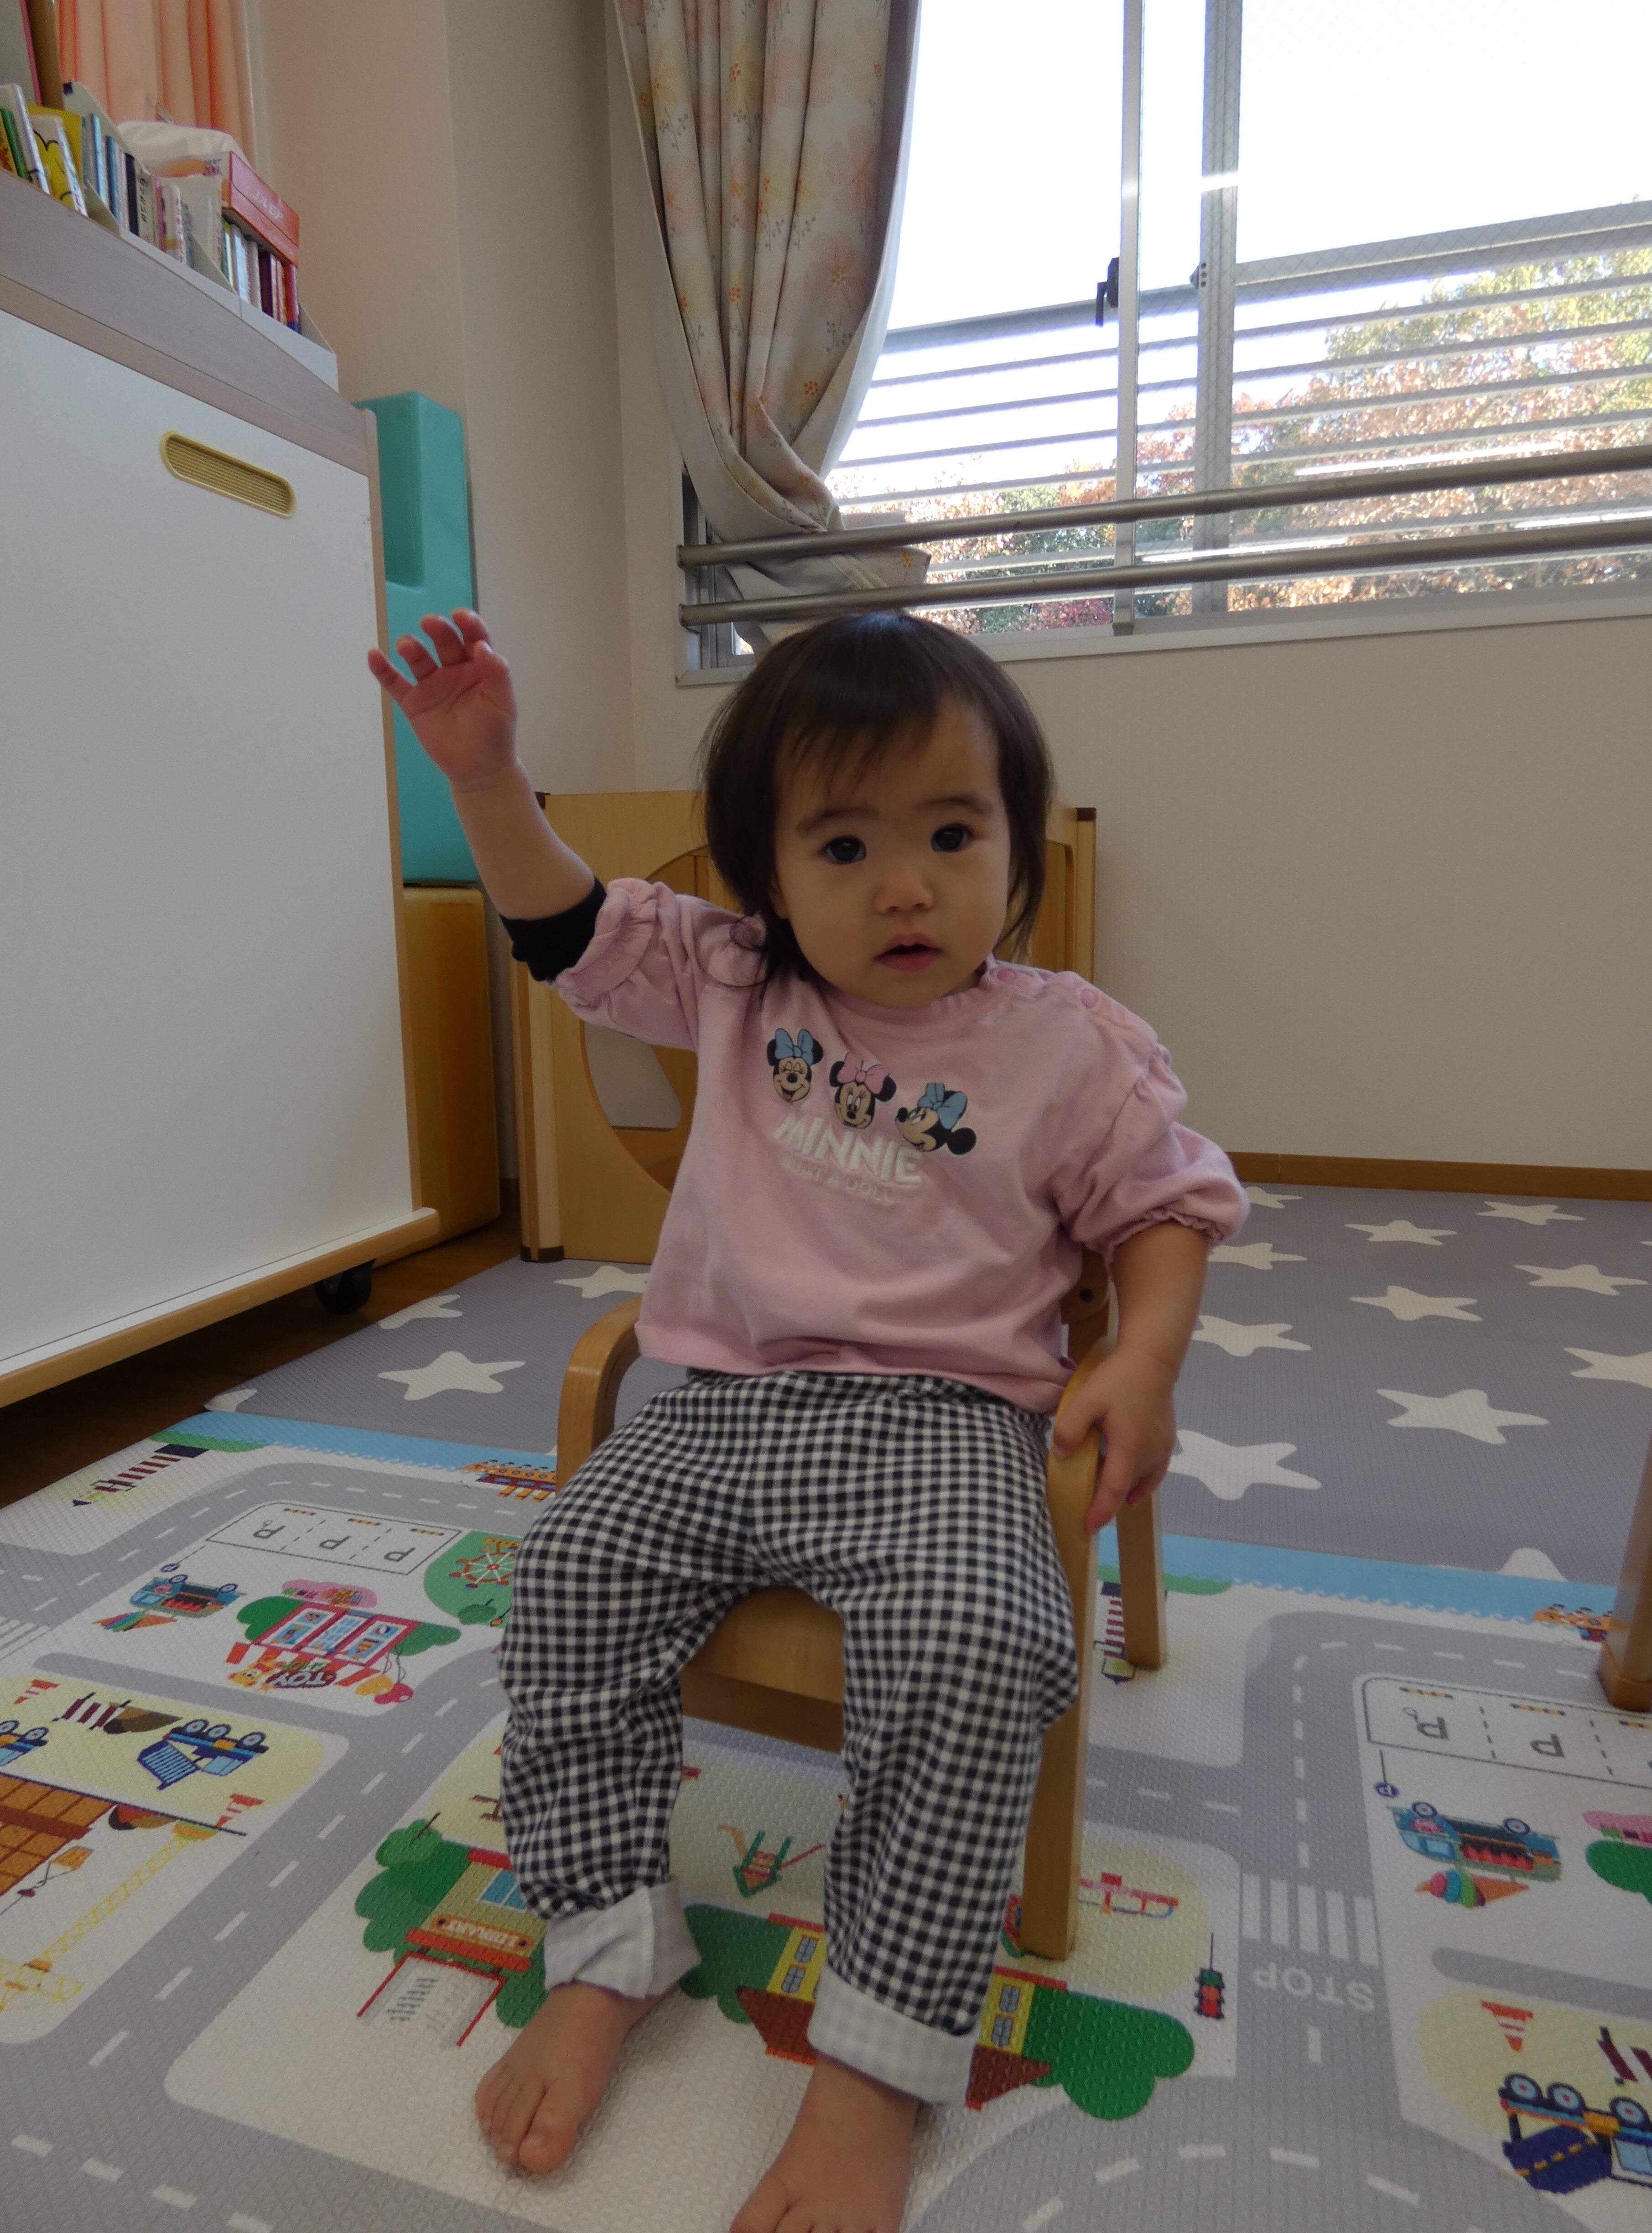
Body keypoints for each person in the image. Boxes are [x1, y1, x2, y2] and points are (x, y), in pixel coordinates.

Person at [367, 606, 1247, 2233]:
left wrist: (1148, 1354)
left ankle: (878, 2062)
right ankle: (608, 1947)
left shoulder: (1071, 1041)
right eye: (844, 845)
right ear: (765, 875)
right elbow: (560, 925)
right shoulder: (730, 977)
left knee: (983, 1641)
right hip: (719, 1404)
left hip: (948, 1423)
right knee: (565, 1580)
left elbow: (1166, 1209)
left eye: (952, 835)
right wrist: (486, 779)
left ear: (1017, 846)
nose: (905, 886)